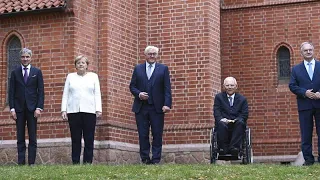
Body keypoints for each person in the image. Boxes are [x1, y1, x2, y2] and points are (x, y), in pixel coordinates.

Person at [129, 45, 172, 164]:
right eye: (150, 54)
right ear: (145, 55)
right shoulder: (138, 68)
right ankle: (145, 159)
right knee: (143, 134)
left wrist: (167, 104)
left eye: (154, 54)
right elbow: (132, 86)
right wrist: (139, 94)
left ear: (157, 55)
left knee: (157, 134)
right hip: (141, 107)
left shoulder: (163, 69)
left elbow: (167, 88)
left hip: (157, 108)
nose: (152, 56)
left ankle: (156, 159)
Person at [61, 55, 102, 164]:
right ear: (75, 65)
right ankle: (75, 161)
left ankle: (87, 162)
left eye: (83, 62)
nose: (80, 64)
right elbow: (66, 94)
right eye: (78, 63)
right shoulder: (70, 77)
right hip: (73, 111)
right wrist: (63, 110)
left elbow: (97, 94)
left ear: (87, 65)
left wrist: (98, 109)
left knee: (89, 138)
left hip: (89, 111)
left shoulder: (93, 76)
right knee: (75, 138)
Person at [9, 48, 44, 165]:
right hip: (18, 109)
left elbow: (41, 92)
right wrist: (12, 109)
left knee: (33, 137)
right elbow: (11, 92)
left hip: (32, 109)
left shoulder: (37, 72)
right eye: (23, 57)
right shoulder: (15, 72)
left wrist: (39, 108)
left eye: (27, 57)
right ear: (20, 58)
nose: (25, 59)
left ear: (31, 57)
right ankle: (21, 162)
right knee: (20, 137)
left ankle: (32, 163)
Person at [289, 42, 320, 166]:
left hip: (319, 104)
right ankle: (308, 159)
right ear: (301, 53)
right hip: (305, 105)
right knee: (306, 133)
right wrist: (304, 92)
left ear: (313, 51)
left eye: (310, 50)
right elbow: (292, 85)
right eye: (305, 50)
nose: (308, 52)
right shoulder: (296, 69)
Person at [213, 77, 248, 156]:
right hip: (224, 123)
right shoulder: (219, 98)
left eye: (232, 85)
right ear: (224, 87)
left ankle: (234, 148)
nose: (229, 87)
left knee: (240, 123)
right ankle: (222, 148)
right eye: (227, 85)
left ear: (236, 86)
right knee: (220, 123)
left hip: (236, 123)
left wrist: (237, 120)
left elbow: (244, 114)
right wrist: (222, 119)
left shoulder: (242, 99)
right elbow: (217, 112)